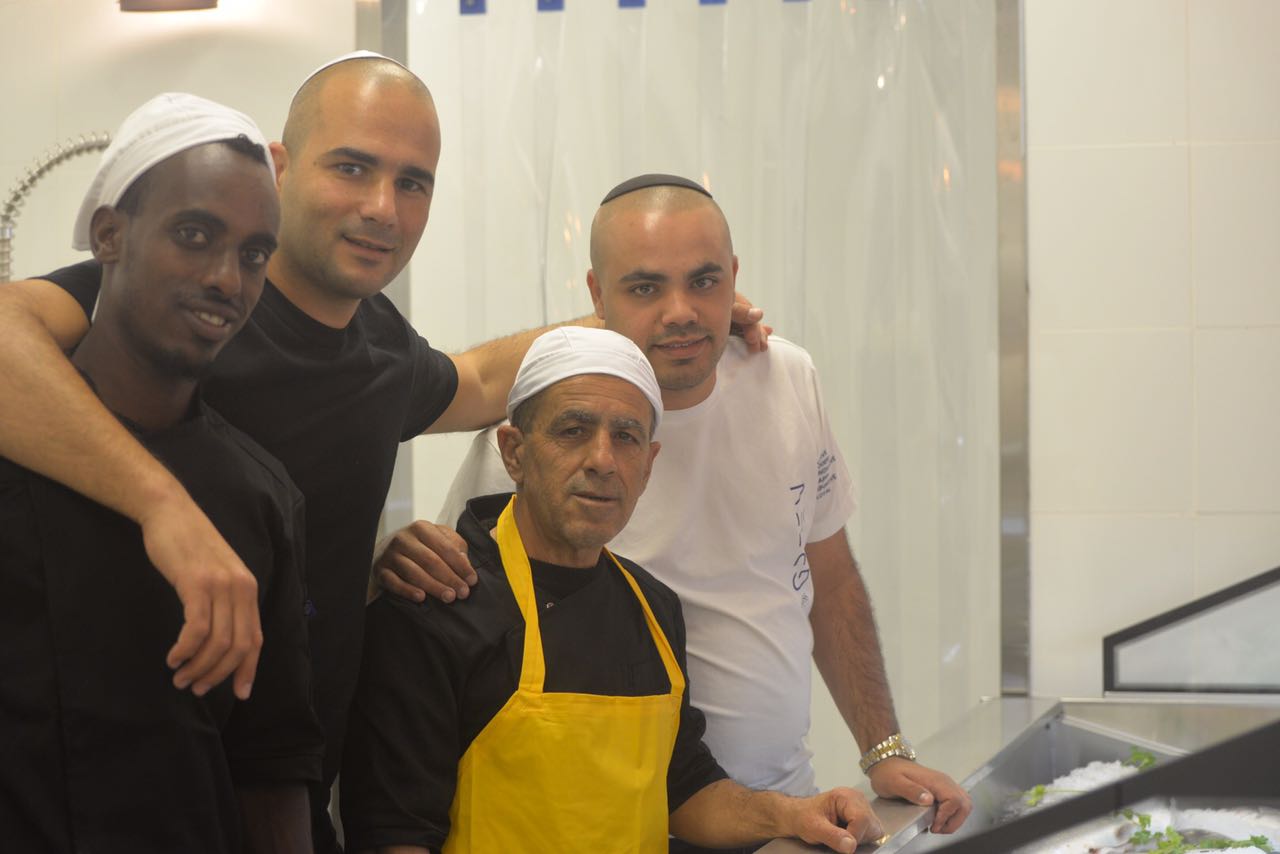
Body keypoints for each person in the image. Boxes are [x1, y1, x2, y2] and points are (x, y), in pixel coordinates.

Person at [0, 54, 766, 850]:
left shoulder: (383, 357)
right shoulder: (181, 308)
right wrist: (166, 509)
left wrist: (664, 313)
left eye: (412, 182)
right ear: (281, 168)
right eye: (352, 167)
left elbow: (481, 378)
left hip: (278, 793)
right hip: (90, 792)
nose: (382, 208)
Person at [434, 174, 974, 849]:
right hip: (627, 827)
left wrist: (883, 749)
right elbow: (445, 599)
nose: (680, 311)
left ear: (735, 278)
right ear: (597, 295)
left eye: (704, 281)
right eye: (645, 288)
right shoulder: (540, 431)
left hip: (784, 811)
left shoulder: (787, 379)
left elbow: (830, 580)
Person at [340, 326, 884, 854]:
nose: (602, 460)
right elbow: (394, 834)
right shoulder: (434, 606)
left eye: (625, 437)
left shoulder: (653, 609)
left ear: (647, 466)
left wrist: (794, 814)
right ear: (514, 453)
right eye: (573, 430)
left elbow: (683, 788)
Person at [0, 93, 323, 852]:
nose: (227, 279)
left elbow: (270, 767)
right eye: (194, 235)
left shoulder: (260, 497)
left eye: (253, 254)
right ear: (109, 235)